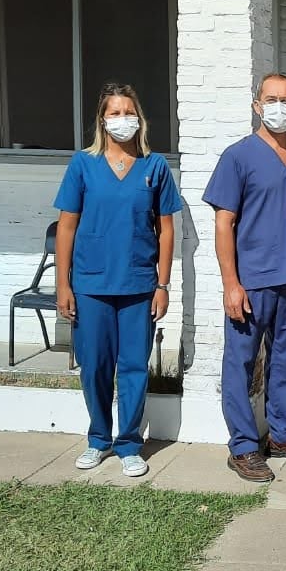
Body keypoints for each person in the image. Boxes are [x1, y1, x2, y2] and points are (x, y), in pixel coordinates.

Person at [203, 73, 286, 483]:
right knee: (240, 363)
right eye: (271, 99)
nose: (279, 107)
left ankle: (282, 435)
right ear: (257, 104)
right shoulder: (238, 156)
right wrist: (231, 284)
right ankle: (242, 446)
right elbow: (224, 223)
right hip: (251, 281)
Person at [55, 82, 181, 477]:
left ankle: (129, 443)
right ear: (102, 120)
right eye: (114, 112)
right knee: (93, 365)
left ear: (139, 119)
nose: (122, 119)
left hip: (139, 286)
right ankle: (98, 439)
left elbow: (166, 229)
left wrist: (162, 285)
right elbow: (66, 227)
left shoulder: (154, 165)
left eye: (129, 112)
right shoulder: (83, 164)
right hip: (91, 285)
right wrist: (63, 284)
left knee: (133, 367)